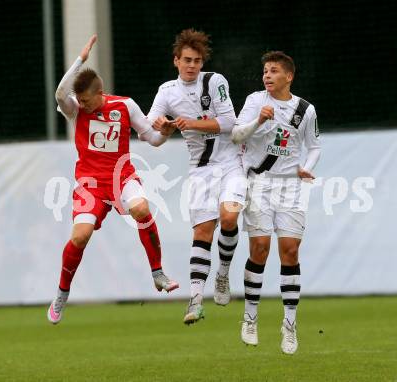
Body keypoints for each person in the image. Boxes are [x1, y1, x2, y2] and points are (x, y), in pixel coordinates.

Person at [47, 35, 178, 325]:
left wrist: (167, 131)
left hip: (122, 177)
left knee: (142, 210)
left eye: (85, 99)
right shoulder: (76, 109)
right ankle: (61, 294)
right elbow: (59, 95)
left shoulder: (125, 106)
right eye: (78, 100)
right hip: (90, 184)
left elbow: (153, 139)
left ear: (100, 93)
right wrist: (80, 59)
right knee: (80, 237)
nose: (80, 104)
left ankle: (158, 273)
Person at [148, 29, 246, 324]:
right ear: (176, 60)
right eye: (187, 60)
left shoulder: (214, 82)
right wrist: (163, 129)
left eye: (197, 60)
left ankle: (223, 274)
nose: (192, 65)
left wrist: (190, 123)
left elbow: (230, 122)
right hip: (200, 169)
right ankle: (194, 300)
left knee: (228, 219)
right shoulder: (167, 91)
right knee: (202, 232)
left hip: (230, 163)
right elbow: (152, 135)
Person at [231, 51, 321, 354]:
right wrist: (259, 120)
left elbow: (315, 146)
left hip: (291, 187)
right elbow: (235, 135)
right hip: (259, 183)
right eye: (265, 71)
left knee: (290, 251)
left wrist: (308, 166)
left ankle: (290, 324)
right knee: (260, 248)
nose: (267, 76)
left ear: (289, 76)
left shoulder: (305, 110)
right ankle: (250, 317)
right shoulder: (256, 101)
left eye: (273, 71)